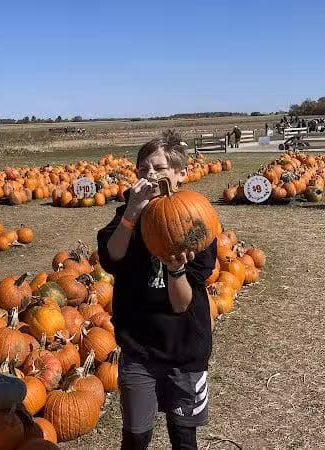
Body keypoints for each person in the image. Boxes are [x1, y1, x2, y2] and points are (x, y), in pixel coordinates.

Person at [97, 131, 217, 450]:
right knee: (136, 437)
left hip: (184, 350)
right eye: (143, 169)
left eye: (159, 167)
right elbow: (111, 258)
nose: (150, 174)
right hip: (139, 348)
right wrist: (132, 213)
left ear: (180, 173)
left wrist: (175, 269)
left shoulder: (196, 220)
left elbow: (181, 305)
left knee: (184, 437)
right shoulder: (127, 214)